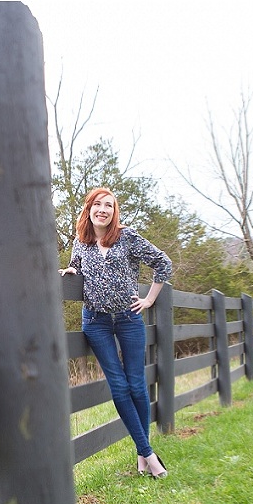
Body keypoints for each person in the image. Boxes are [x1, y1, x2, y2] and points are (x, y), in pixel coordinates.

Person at [59, 187, 172, 478]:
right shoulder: (81, 242)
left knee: (136, 385)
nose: (103, 210)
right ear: (89, 209)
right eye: (98, 204)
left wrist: (149, 300)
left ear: (114, 212)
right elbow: (76, 267)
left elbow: (163, 263)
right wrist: (71, 271)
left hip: (128, 318)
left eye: (109, 205)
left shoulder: (127, 237)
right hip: (95, 322)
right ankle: (148, 454)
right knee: (119, 386)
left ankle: (142, 454)